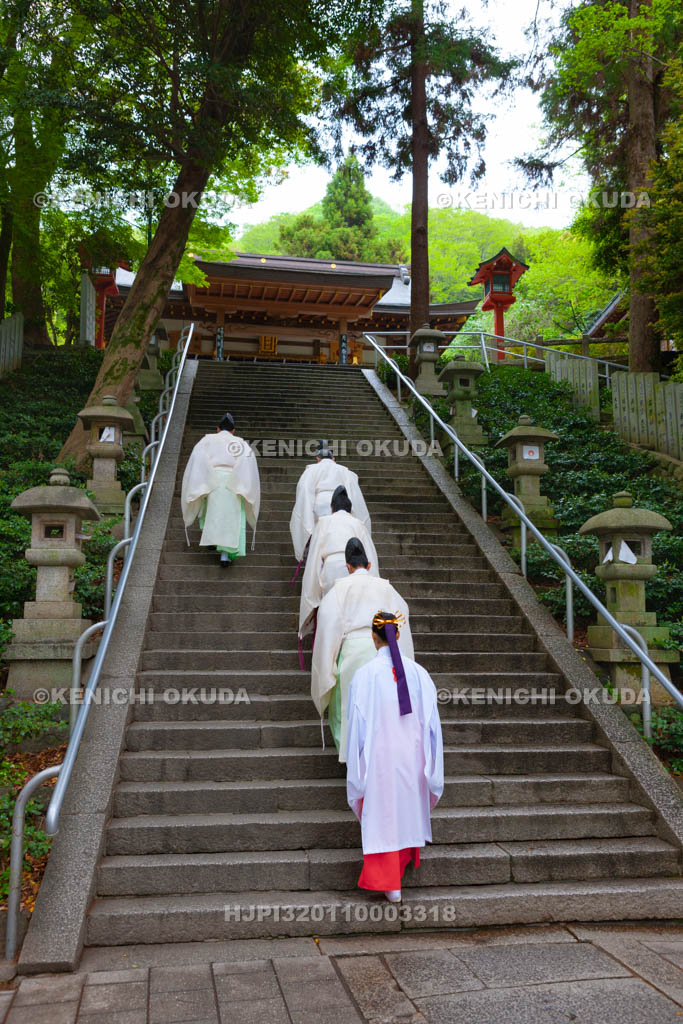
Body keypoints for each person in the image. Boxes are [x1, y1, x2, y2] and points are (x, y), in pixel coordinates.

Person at [346, 610, 443, 903]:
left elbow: (356, 725)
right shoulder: (420, 674)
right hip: (412, 755)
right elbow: (432, 725)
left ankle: (389, 882)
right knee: (405, 809)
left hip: (380, 758)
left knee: (383, 815)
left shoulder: (363, 676)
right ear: (398, 635)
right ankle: (397, 873)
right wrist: (432, 765)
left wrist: (357, 766)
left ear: (373, 637)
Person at [311, 538, 412, 762]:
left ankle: (354, 760)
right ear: (368, 565)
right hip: (385, 650)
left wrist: (328, 666)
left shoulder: (339, 590)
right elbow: (401, 615)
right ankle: (381, 756)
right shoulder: (386, 588)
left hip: (352, 652)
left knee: (346, 709)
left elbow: (329, 627)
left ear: (347, 566)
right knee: (382, 706)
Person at [298, 485, 380, 640]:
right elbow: (370, 554)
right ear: (350, 509)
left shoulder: (323, 522)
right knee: (353, 611)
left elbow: (315, 556)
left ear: (332, 508)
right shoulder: (358, 523)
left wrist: (312, 588)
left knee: (332, 611)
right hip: (356, 570)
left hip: (330, 568)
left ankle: (330, 645)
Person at [181, 412, 260, 566]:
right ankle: (224, 555)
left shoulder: (207, 440)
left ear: (217, 429)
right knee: (231, 518)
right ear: (233, 431)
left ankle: (210, 538)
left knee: (209, 509)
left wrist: (205, 479)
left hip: (212, 479)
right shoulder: (240, 443)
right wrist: (241, 484)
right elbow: (248, 465)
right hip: (234, 481)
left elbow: (197, 461)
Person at [289, 441, 370, 563]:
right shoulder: (344, 471)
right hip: (343, 508)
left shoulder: (311, 470)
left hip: (318, 509)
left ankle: (316, 562)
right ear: (333, 459)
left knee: (318, 541)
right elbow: (355, 496)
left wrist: (307, 524)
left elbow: (305, 494)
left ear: (318, 459)